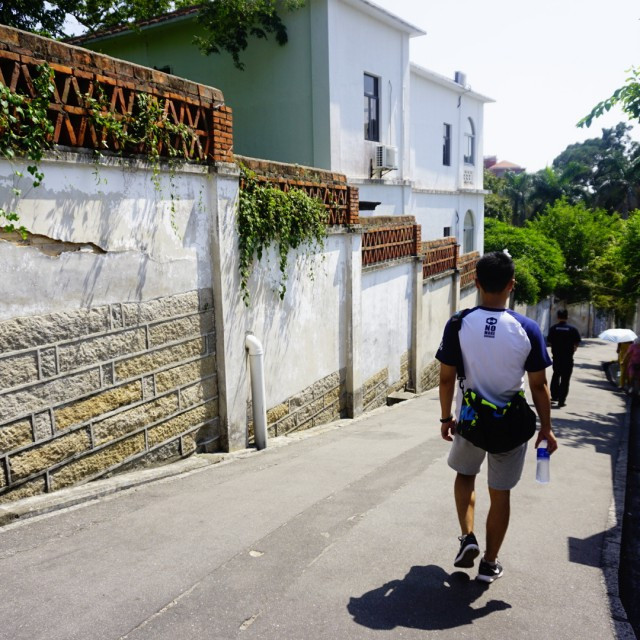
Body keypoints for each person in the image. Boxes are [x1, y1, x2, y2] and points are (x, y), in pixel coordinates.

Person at [436, 250, 557, 583]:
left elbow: (446, 378)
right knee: (500, 492)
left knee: (465, 475)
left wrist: (446, 418)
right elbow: (539, 385)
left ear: (476, 283)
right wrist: (546, 428)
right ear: (511, 285)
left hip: (470, 421)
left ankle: (467, 537)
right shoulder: (527, 328)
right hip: (510, 424)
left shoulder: (458, 323)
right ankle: (489, 562)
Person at [546, 310, 581, 407]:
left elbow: (549, 341)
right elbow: (577, 342)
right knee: (565, 379)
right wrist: (573, 349)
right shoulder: (572, 329)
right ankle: (561, 401)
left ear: (558, 317)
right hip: (568, 358)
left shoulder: (553, 328)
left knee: (556, 375)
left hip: (557, 357)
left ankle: (554, 396)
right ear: (567, 317)